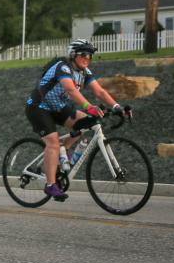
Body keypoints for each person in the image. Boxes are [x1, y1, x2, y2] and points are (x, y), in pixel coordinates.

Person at [25, 39, 126, 202]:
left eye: (90, 55)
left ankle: (58, 157)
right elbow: (71, 90)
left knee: (87, 122)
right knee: (52, 142)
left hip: (58, 107)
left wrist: (117, 106)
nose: (87, 58)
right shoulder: (63, 67)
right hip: (38, 107)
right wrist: (88, 106)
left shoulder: (84, 72)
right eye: (83, 54)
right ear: (73, 55)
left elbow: (99, 91)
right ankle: (50, 185)